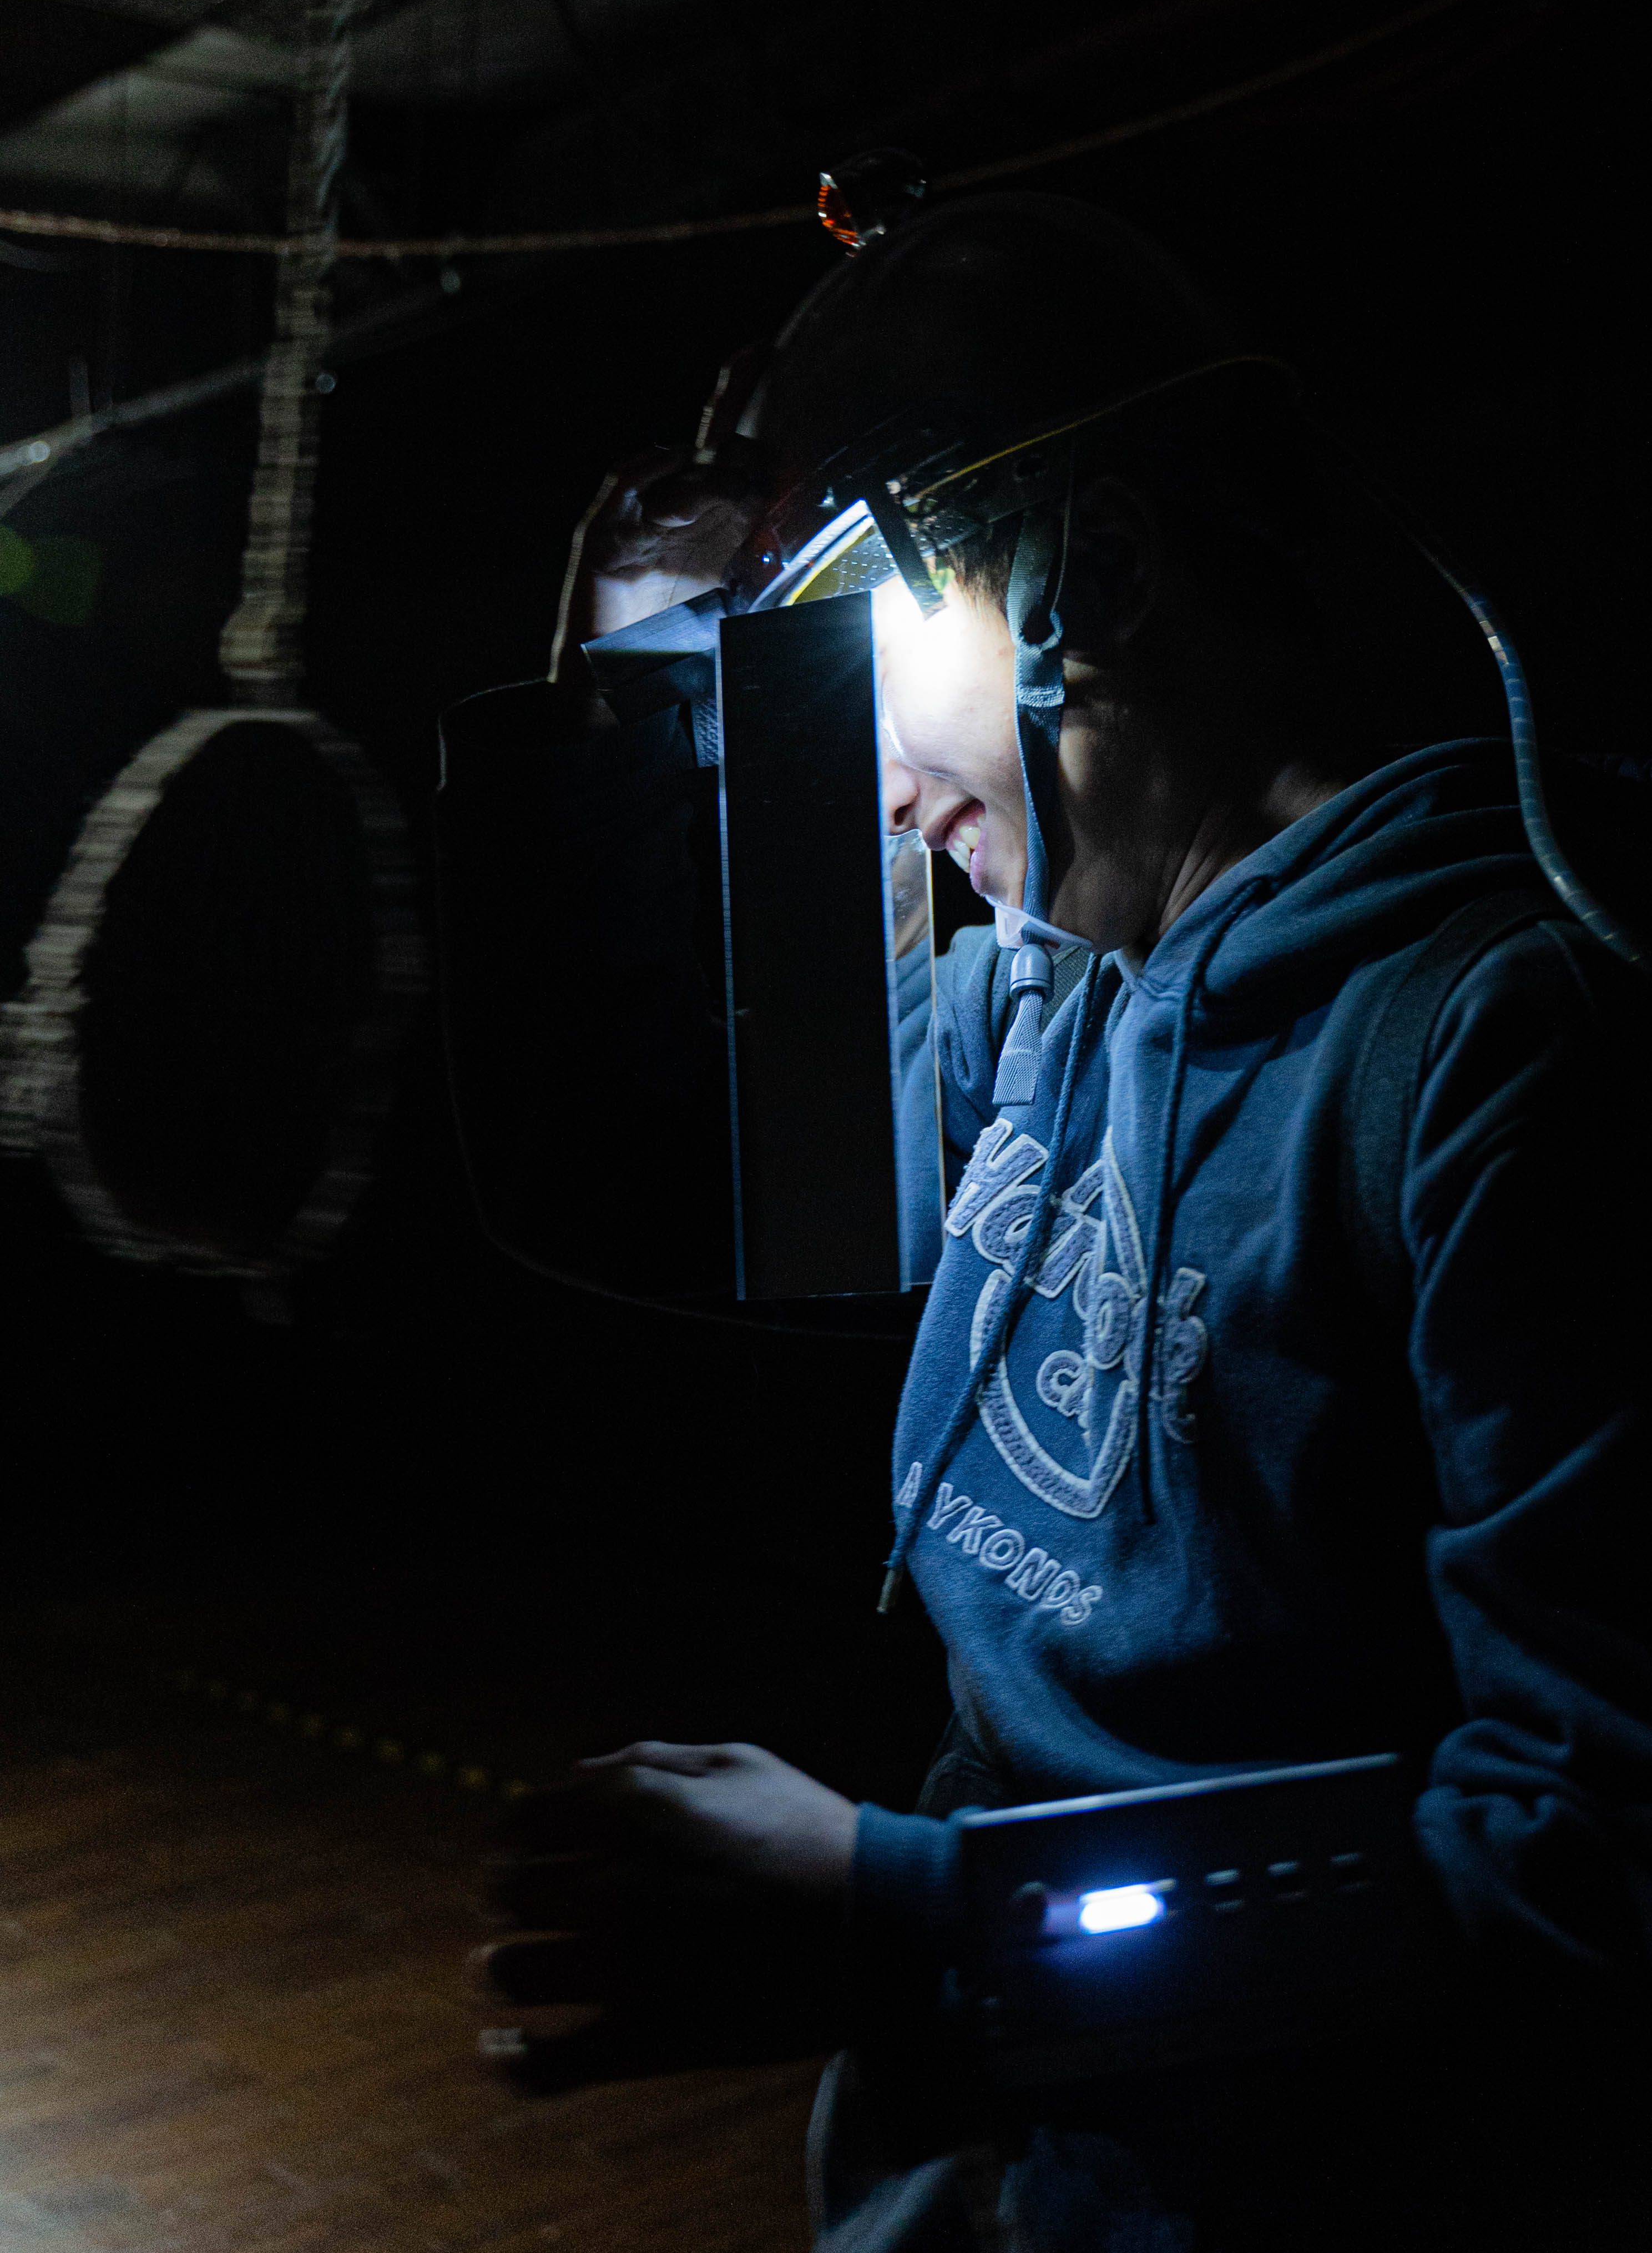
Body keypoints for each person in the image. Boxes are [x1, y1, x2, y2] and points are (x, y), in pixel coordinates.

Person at [438, 186, 1652, 2250]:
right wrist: (650, 640)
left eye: (878, 626)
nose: (865, 772)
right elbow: (664, 1141)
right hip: (997, 2171)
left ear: (1098, 571)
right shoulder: (1054, 978)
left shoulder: (1494, 1052)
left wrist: (924, 1919)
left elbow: (1585, 1895)